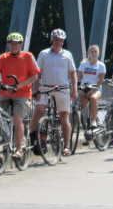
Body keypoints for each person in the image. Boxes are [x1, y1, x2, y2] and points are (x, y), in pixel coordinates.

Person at [0, 32, 40, 160]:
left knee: (17, 118)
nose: (13, 46)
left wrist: (19, 86)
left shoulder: (28, 56)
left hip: (22, 93)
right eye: (11, 44)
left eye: (16, 44)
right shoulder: (4, 57)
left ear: (20, 45)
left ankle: (19, 149)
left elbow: (35, 76)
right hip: (5, 92)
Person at [29, 29, 78, 157]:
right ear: (51, 40)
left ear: (63, 42)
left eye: (60, 41)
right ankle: (33, 138)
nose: (58, 43)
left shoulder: (67, 55)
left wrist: (75, 90)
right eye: (56, 40)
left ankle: (67, 146)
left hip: (62, 88)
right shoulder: (44, 54)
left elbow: (72, 73)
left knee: (63, 116)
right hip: (45, 87)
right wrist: (36, 90)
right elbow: (37, 73)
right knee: (39, 110)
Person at [77, 45, 106, 128]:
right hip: (84, 87)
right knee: (81, 103)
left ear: (98, 54)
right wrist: (80, 89)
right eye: (92, 52)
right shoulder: (83, 64)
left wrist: (91, 91)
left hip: (96, 88)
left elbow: (100, 81)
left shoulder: (101, 65)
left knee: (93, 98)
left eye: (95, 52)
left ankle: (93, 120)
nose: (93, 53)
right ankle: (76, 124)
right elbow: (79, 78)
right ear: (88, 53)